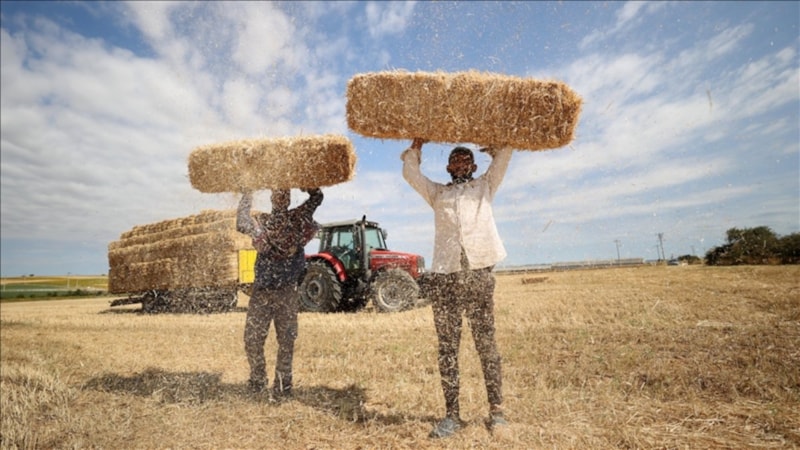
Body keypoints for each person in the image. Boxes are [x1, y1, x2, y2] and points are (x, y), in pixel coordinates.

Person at [401, 138, 513, 438]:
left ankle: (497, 412)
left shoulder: (485, 187)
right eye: (455, 161)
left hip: (478, 275)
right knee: (448, 348)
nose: (461, 164)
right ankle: (452, 415)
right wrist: (417, 147)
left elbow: (503, 156)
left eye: (466, 160)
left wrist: (490, 141)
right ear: (449, 168)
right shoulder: (438, 193)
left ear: (474, 166)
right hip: (445, 278)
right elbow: (411, 175)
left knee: (485, 343)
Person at [236, 187, 323, 400]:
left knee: (287, 340)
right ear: (273, 197)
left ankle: (283, 386)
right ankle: (258, 380)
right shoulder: (263, 222)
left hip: (287, 291)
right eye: (278, 193)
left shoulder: (298, 218)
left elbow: (317, 197)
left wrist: (309, 186)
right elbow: (241, 222)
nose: (281, 196)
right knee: (252, 339)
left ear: (289, 197)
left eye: (285, 193)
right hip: (262, 291)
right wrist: (246, 193)